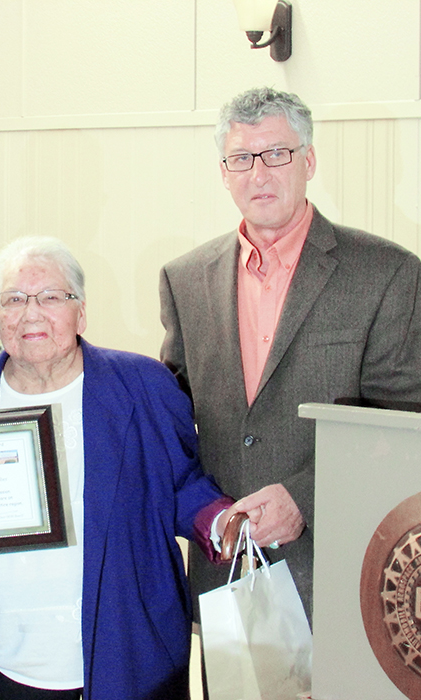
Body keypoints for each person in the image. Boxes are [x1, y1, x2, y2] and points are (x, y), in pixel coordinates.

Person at [0, 236, 251, 700]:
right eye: (13, 299)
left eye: (51, 297)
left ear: (80, 312)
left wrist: (224, 521)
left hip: (127, 654)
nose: (32, 312)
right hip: (3, 662)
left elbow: (181, 485)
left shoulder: (143, 385)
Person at [159, 86, 421, 627]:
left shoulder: (386, 273)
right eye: (241, 158)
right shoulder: (184, 279)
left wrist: (305, 497)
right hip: (226, 573)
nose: (260, 173)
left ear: (309, 160)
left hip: (342, 568)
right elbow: (174, 427)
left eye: (277, 153)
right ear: (224, 173)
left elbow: (403, 427)